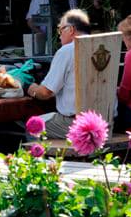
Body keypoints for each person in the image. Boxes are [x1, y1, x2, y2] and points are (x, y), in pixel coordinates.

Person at [25, 9, 91, 139]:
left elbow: (45, 93)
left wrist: (30, 88)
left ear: (71, 30)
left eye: (60, 30)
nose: (59, 36)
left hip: (76, 123)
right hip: (106, 120)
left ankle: (42, 159)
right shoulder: (103, 46)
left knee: (32, 127)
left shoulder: (67, 50)